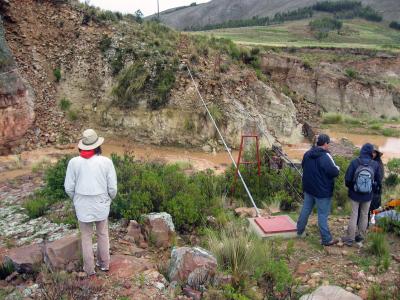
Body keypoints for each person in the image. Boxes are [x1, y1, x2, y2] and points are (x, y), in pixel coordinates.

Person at [64, 129, 117, 276]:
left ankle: (89, 269)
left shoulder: (73, 163)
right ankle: (104, 264)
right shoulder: (106, 162)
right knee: (102, 233)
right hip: (101, 202)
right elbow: (112, 188)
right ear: (97, 145)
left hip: (82, 203)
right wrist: (109, 199)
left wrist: (76, 198)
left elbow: (68, 187)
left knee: (86, 236)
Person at [297, 134, 340, 246]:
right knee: (322, 214)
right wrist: (338, 168)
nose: (329, 145)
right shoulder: (326, 156)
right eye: (328, 143)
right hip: (322, 191)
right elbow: (334, 172)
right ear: (325, 143)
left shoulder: (307, 154)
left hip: (309, 188)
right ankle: (326, 239)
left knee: (306, 209)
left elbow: (303, 166)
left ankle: (299, 230)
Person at [342, 143, 382, 246]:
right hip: (368, 195)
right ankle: (360, 237)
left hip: (354, 194)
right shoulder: (375, 164)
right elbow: (378, 181)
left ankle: (350, 238)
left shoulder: (355, 162)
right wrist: (371, 189)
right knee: (364, 215)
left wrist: (352, 188)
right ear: (370, 152)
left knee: (354, 214)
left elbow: (347, 179)